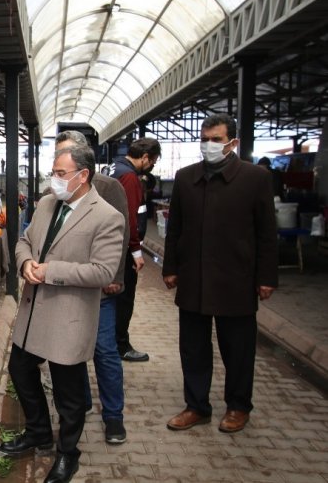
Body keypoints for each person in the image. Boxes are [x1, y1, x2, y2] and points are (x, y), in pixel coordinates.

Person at [0, 144, 124, 483]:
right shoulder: (46, 204)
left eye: (60, 174)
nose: (54, 180)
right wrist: (25, 262)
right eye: (53, 173)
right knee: (20, 369)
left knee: (69, 393)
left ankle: (68, 453)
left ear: (83, 176)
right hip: (33, 310)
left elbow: (102, 271)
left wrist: (51, 270)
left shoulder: (107, 217)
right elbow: (25, 240)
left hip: (68, 314)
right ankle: (39, 432)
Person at [163, 113, 278, 433]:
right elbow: (175, 228)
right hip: (194, 278)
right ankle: (196, 406)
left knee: (238, 349)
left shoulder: (255, 178)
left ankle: (238, 406)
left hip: (236, 279)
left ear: (233, 143)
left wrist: (266, 277)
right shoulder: (186, 178)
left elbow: (267, 232)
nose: (209, 145)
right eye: (205, 139)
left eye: (216, 140)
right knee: (194, 347)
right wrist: (170, 266)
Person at [55, 130, 130, 445]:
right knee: (73, 350)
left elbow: (121, 234)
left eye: (65, 157)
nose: (58, 168)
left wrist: (116, 276)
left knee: (104, 351)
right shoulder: (56, 194)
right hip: (67, 286)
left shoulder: (108, 188)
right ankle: (81, 402)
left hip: (99, 288)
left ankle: (114, 417)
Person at [109, 137, 161, 362]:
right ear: (146, 157)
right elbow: (129, 218)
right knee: (124, 298)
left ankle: (110, 341)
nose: (151, 167)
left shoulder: (113, 167)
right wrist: (136, 250)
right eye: (153, 162)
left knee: (113, 299)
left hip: (111, 245)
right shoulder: (129, 177)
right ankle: (121, 346)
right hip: (124, 249)